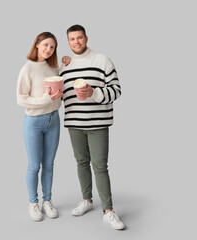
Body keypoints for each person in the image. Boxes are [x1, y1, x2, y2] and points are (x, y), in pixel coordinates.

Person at [59, 24, 125, 230]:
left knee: (100, 166)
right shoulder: (65, 66)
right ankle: (87, 200)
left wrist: (93, 93)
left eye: (79, 38)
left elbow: (116, 90)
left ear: (86, 39)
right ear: (68, 42)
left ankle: (108, 211)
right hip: (74, 123)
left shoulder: (103, 60)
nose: (76, 42)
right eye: (72, 39)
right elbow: (60, 94)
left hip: (97, 123)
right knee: (81, 162)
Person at [17, 32, 64, 222]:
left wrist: (65, 64)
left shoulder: (54, 68)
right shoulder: (27, 69)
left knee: (49, 165)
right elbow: (21, 98)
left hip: (54, 120)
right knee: (34, 165)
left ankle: (47, 201)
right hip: (34, 122)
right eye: (45, 45)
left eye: (52, 47)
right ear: (36, 44)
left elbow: (59, 85)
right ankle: (33, 203)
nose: (48, 49)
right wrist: (44, 99)